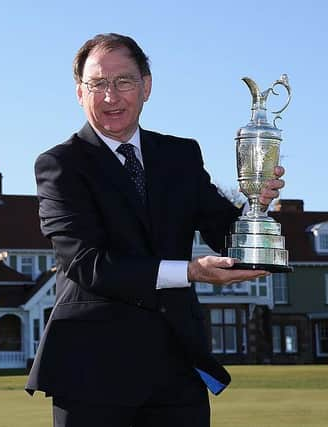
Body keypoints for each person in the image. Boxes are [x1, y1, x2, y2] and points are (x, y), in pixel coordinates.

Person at [25, 33, 285, 427]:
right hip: (92, 374)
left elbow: (222, 227)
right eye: (98, 84)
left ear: (146, 86)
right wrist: (191, 271)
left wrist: (255, 208)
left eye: (124, 81)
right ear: (80, 92)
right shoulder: (60, 165)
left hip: (177, 368)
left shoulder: (180, 155)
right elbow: (87, 264)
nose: (111, 96)